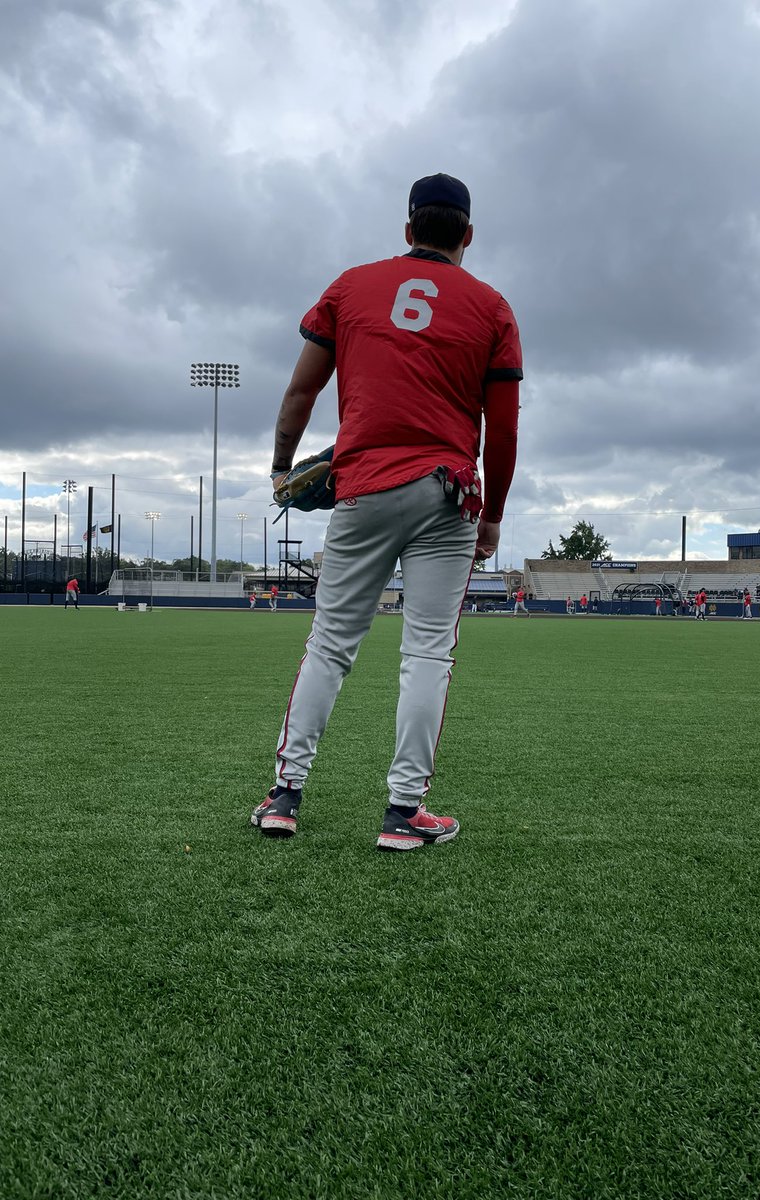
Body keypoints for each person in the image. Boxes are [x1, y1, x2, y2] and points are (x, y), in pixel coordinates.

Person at [252, 173, 522, 851]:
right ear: (466, 235)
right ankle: (403, 813)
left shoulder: (350, 287)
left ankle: (285, 796)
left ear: (407, 231)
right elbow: (505, 428)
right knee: (427, 652)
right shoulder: (492, 307)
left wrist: (283, 469)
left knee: (330, 643)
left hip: (365, 482)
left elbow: (300, 392)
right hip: (448, 491)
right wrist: (492, 515)